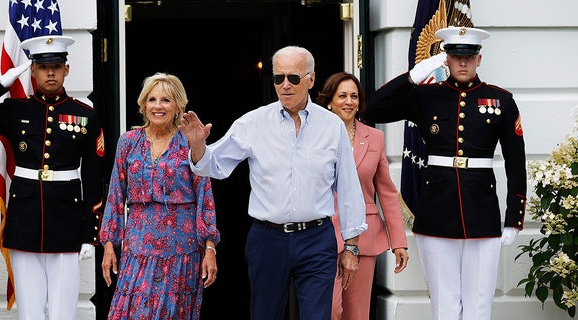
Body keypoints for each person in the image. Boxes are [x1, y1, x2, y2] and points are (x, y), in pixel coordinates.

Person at [180, 45, 368, 320]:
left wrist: (351, 246)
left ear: (310, 79)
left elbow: (349, 187)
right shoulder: (254, 122)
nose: (285, 85)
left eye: (293, 78)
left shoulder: (332, 126)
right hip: (268, 239)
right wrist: (198, 146)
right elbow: (214, 165)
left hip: (317, 238)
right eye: (279, 78)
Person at [364, 26, 526, 320]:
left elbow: (517, 163)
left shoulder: (501, 100)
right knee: (444, 306)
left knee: (478, 306)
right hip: (436, 211)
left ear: (479, 59)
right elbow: (371, 109)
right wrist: (411, 77)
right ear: (446, 59)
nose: (462, 63)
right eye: (454, 56)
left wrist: (514, 217)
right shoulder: (426, 96)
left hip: (482, 213)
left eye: (469, 56)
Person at [0, 35, 104, 320]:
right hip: (25, 218)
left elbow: (93, 178)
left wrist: (89, 234)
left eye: (56, 66)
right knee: (30, 311)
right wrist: (0, 83)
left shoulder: (85, 116)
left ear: (66, 70)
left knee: (63, 311)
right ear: (32, 70)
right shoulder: (15, 110)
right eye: (43, 67)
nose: (50, 72)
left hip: (67, 220)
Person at [99, 72, 220, 319]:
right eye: (152, 99)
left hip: (180, 249)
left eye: (166, 100)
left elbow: (204, 195)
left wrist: (210, 248)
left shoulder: (189, 142)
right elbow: (115, 194)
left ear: (177, 106)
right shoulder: (128, 142)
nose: (158, 106)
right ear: (144, 104)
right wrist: (109, 243)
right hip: (137, 245)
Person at [316, 72, 409, 320]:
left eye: (354, 96)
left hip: (363, 237)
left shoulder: (375, 137)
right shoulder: (313, 136)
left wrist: (398, 240)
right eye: (342, 96)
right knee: (330, 310)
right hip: (321, 234)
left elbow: (387, 193)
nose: (349, 102)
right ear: (329, 101)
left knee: (357, 313)